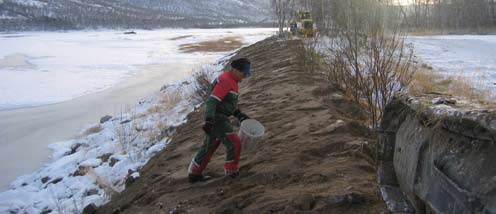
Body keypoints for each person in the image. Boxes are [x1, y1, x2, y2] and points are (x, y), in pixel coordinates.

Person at [187, 58, 252, 183]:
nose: (244, 77)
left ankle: (194, 173)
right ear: (235, 70)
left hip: (219, 117)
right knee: (234, 143)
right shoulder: (225, 81)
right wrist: (209, 121)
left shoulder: (232, 80)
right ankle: (231, 172)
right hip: (217, 119)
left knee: (209, 146)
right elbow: (212, 101)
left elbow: (227, 103)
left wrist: (238, 114)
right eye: (244, 74)